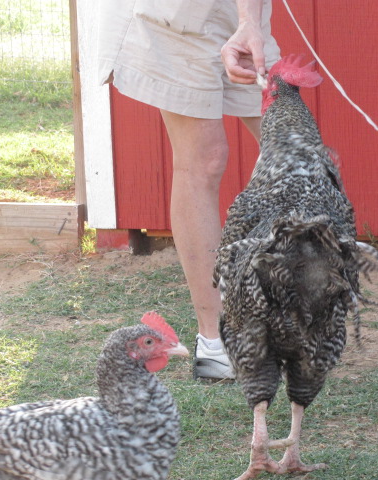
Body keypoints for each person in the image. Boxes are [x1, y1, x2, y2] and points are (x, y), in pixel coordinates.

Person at [97, 0, 279, 379]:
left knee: (288, 146)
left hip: (235, 9)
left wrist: (249, 20)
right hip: (174, 13)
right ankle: (216, 342)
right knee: (204, 157)